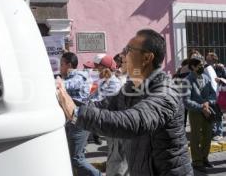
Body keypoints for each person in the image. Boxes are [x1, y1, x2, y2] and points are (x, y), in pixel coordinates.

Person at [57, 29, 193, 176]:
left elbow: (132, 122)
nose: (122, 55)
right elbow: (102, 105)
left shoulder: (166, 93)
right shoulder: (131, 88)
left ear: (147, 58)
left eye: (128, 50)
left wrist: (75, 113)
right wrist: (66, 103)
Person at [60, 52, 101, 176]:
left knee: (76, 159)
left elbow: (65, 86)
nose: (60, 67)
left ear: (69, 65)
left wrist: (57, 83)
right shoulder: (70, 77)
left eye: (62, 64)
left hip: (79, 122)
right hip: (74, 122)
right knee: (74, 156)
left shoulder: (78, 77)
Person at [183, 55, 217, 172]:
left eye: (203, 65)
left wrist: (208, 102)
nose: (203, 67)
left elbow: (213, 94)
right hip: (196, 113)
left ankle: (204, 158)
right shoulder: (187, 80)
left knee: (207, 136)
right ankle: (197, 162)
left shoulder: (206, 78)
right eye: (200, 65)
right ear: (193, 66)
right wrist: (202, 107)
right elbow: (186, 101)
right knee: (196, 137)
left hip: (208, 111)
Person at [206, 52, 225, 141]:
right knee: (211, 113)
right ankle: (212, 132)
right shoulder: (206, 68)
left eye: (209, 58)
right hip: (209, 94)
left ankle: (219, 132)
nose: (207, 60)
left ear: (213, 59)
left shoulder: (220, 67)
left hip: (219, 94)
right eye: (207, 58)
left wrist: (220, 79)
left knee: (218, 114)